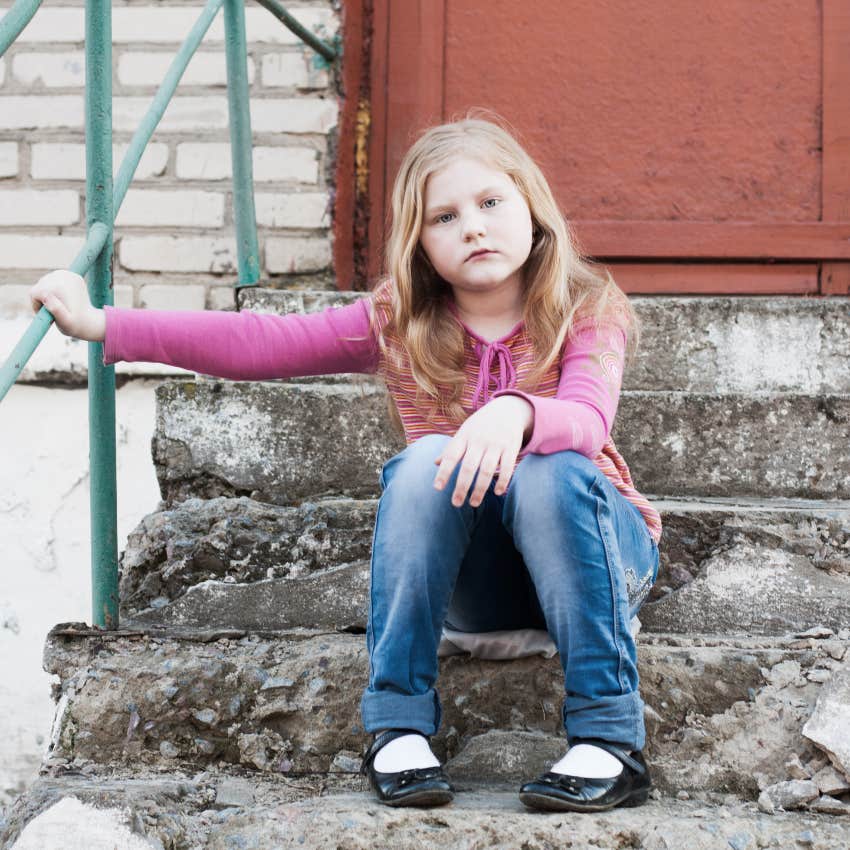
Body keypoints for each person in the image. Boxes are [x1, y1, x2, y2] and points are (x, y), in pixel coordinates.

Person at [30, 116, 661, 813]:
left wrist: (517, 411)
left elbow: (586, 418)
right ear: (419, 244)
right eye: (444, 217)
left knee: (551, 465)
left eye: (490, 203)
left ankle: (609, 742)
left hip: (598, 562)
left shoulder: (585, 305)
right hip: (479, 592)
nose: (473, 228)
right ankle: (397, 727)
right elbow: (262, 342)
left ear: (532, 206)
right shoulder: (399, 320)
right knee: (425, 461)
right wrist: (104, 326)